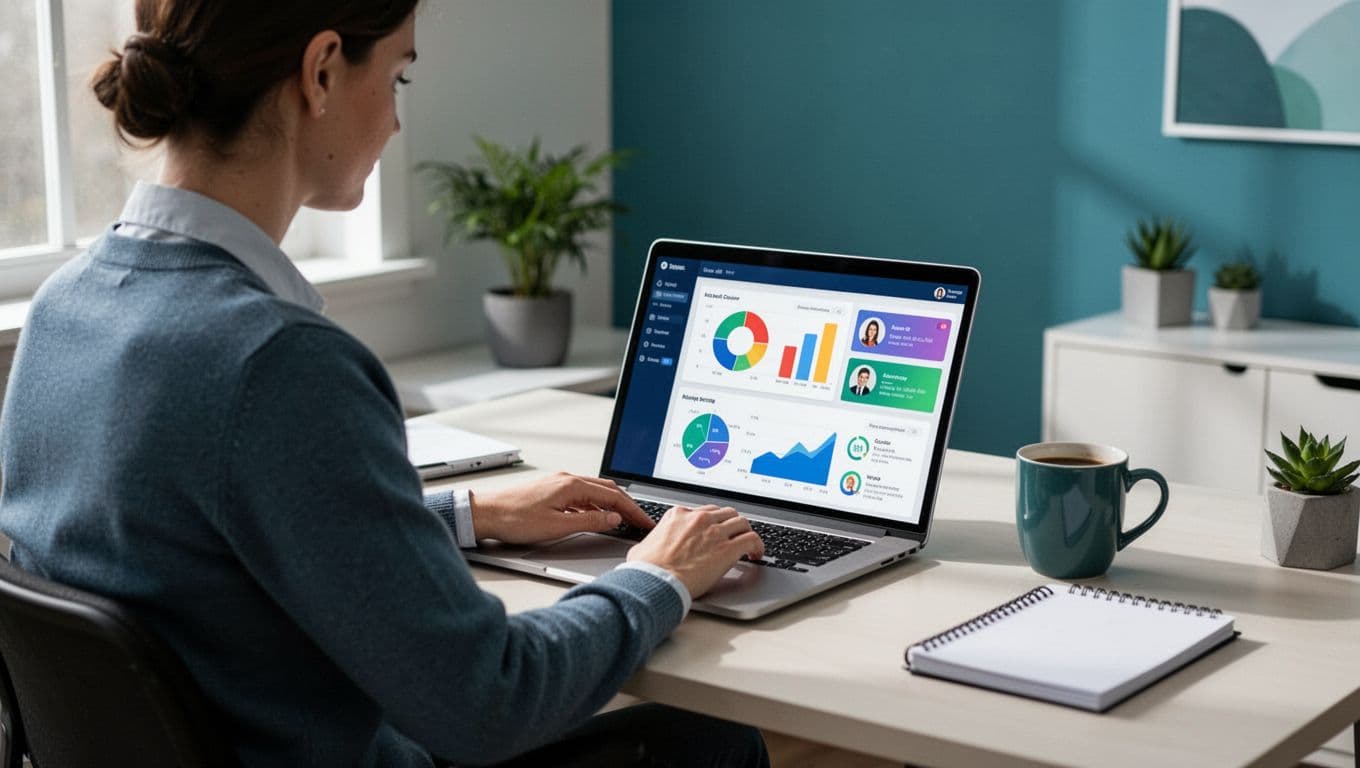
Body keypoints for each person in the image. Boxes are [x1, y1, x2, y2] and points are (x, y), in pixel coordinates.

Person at [0, 3, 768, 767]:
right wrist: (655, 580)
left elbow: (210, 553)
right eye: (398, 75)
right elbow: (492, 702)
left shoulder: (66, 308)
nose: (397, 123)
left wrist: (466, 514)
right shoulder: (278, 361)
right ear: (322, 70)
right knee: (707, 741)